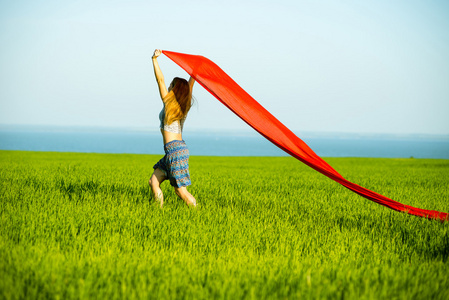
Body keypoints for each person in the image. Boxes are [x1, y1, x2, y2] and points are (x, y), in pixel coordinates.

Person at [149, 49, 197, 207]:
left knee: (180, 191)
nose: (169, 85)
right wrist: (195, 72)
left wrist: (154, 60)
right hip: (174, 151)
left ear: (175, 89)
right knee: (153, 181)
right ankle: (158, 212)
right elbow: (190, 86)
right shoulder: (184, 107)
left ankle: (198, 212)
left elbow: (160, 80)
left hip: (174, 151)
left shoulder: (169, 103)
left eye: (172, 84)